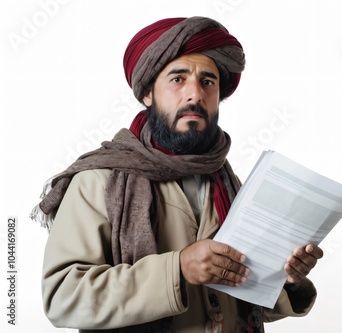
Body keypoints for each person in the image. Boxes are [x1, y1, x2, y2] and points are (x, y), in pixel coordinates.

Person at [32, 16, 323, 333]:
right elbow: (63, 299)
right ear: (147, 94)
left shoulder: (225, 181)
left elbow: (241, 297)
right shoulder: (99, 180)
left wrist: (286, 276)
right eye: (177, 79)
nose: (195, 94)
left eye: (207, 82)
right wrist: (177, 269)